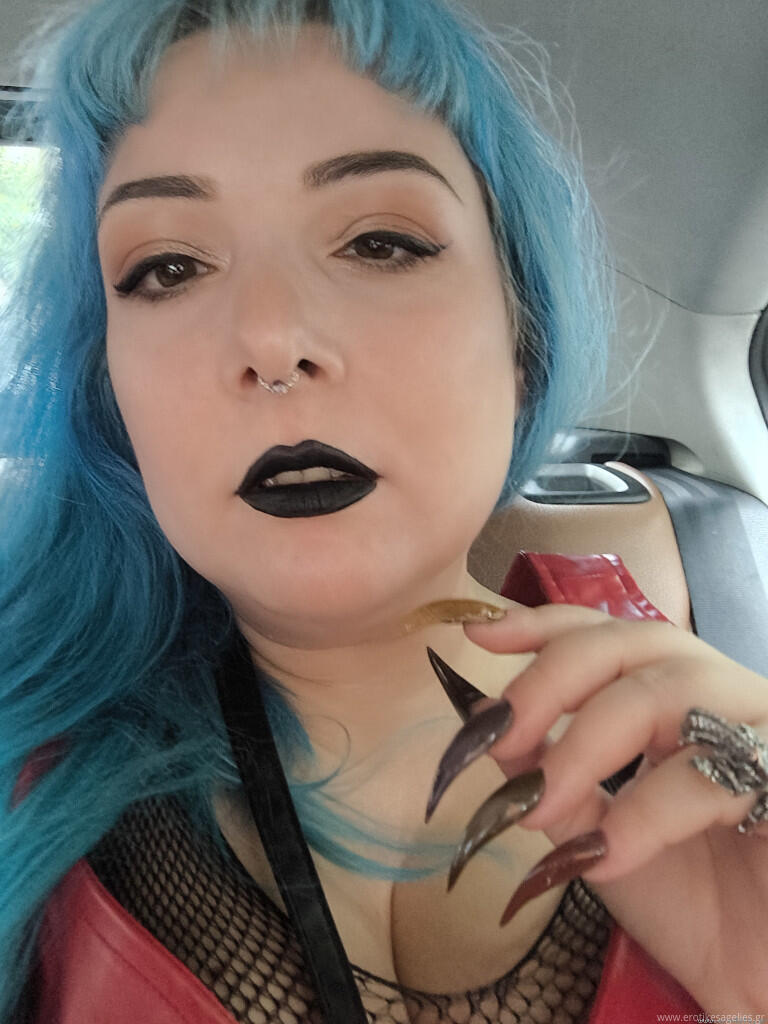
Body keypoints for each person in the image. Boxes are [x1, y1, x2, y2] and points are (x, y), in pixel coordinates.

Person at [1, 0, 767, 1021]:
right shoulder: (23, 764)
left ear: (523, 336)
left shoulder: (723, 762)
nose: (272, 340)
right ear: (113, 392)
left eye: (380, 243)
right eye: (167, 268)